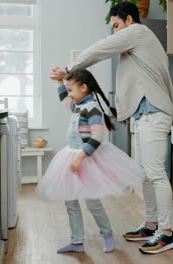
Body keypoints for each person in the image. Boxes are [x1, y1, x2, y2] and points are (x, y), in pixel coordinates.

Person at [50, 2, 173, 254]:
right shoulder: (134, 45)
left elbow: (101, 48)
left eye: (117, 26)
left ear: (129, 20)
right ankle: (151, 225)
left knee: (155, 173)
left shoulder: (138, 32)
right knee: (145, 173)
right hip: (144, 113)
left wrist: (70, 70)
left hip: (154, 111)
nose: (116, 32)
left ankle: (167, 232)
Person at [36, 68, 145, 254]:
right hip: (71, 156)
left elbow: (97, 137)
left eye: (71, 90)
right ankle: (77, 241)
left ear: (84, 88)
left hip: (87, 159)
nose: (69, 95)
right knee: (70, 202)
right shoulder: (78, 104)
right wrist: (60, 82)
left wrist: (80, 157)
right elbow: (65, 100)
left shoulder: (92, 108)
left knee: (92, 202)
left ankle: (108, 234)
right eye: (68, 90)